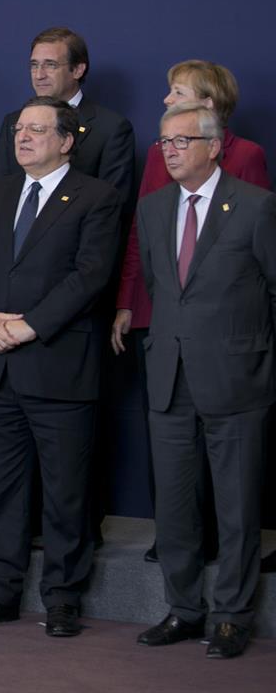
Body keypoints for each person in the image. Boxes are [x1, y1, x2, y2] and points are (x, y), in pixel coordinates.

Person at [0, 96, 121, 638]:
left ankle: (63, 598)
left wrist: (28, 326)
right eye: (19, 129)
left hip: (58, 367)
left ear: (67, 140)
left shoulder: (97, 196)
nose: (22, 138)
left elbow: (90, 275)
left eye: (37, 130)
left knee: (65, 492)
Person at [110, 60, 269, 563]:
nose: (165, 99)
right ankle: (180, 576)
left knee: (230, 478)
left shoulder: (248, 169)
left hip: (229, 352)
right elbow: (147, 241)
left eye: (175, 92)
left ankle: (227, 589)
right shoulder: (163, 159)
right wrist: (128, 305)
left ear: (207, 105)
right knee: (174, 470)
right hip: (168, 336)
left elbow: (257, 264)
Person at [133, 103, 276, 660]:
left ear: (214, 147)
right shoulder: (151, 209)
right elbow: (161, 286)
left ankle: (232, 616)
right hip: (169, 376)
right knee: (173, 507)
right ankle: (183, 609)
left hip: (238, 378)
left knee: (237, 508)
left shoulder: (257, 208)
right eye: (164, 142)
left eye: (182, 141)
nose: (170, 151)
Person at [0, 28, 134, 205]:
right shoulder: (12, 122)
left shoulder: (110, 128)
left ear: (78, 70)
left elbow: (113, 204)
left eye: (50, 65)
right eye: (34, 65)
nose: (39, 75)